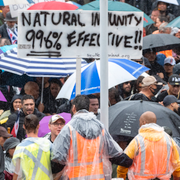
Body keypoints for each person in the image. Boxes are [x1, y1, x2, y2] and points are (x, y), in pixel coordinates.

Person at [51, 95, 133, 180]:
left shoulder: (68, 129)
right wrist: (131, 161)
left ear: (74, 108)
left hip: (75, 177)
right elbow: (114, 153)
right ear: (88, 108)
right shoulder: (100, 127)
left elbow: (58, 159)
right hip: (98, 177)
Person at [117, 111, 180, 180]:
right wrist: (176, 177)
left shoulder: (138, 140)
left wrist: (121, 177)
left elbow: (124, 163)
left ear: (144, 122)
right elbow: (177, 164)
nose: (139, 124)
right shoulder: (168, 140)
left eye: (140, 122)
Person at [11, 114, 53, 180]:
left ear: (24, 126)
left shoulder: (20, 148)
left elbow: (17, 173)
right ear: (38, 126)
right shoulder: (47, 144)